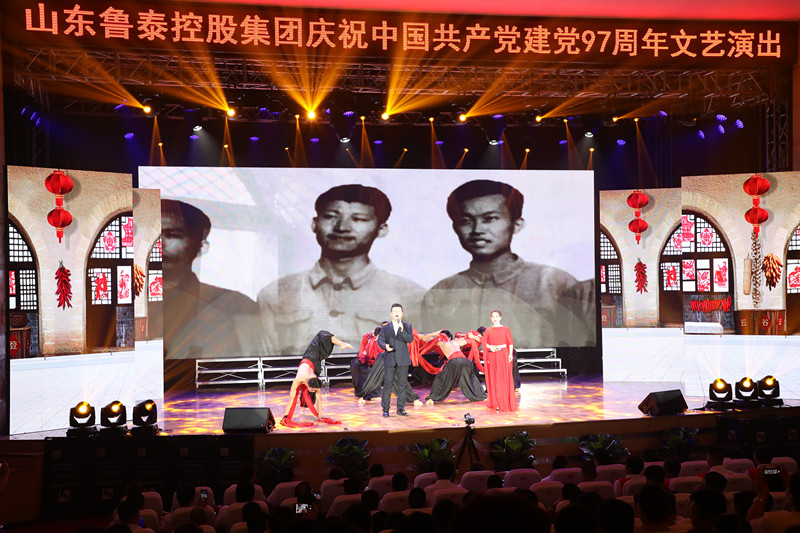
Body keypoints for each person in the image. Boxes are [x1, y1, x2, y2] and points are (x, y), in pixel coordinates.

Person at [421, 179, 595, 350]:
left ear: (517, 224)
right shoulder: (440, 293)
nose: (477, 230)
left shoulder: (555, 283)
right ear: (455, 228)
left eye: (490, 218)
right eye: (466, 221)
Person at [258, 184, 424, 355]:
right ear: (315, 224)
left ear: (382, 229)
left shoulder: (409, 295)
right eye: (330, 216)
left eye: (358, 219)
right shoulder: (275, 294)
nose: (342, 227)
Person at [161, 199, 262, 390]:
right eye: (150, 234)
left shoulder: (236, 305)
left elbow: (248, 376)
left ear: (201, 247)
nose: (158, 244)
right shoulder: (119, 307)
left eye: (171, 234)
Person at [281, 331, 352, 427]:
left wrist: (320, 416)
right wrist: (286, 416)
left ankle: (341, 343)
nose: (314, 391)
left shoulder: (314, 382)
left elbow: (319, 400)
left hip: (313, 361)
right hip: (313, 361)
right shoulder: (299, 379)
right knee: (321, 336)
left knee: (321, 334)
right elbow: (291, 399)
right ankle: (341, 343)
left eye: (314, 390)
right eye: (313, 389)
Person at [425, 331, 487, 404]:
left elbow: (427, 340)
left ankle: (432, 398)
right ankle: (481, 396)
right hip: (464, 360)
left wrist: (434, 334)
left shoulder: (441, 343)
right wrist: (470, 336)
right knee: (471, 378)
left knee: (441, 378)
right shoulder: (457, 341)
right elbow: (470, 340)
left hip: (453, 360)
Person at [378, 303, 415, 417]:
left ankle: (401, 408)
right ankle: (385, 409)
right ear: (391, 313)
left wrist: (402, 330)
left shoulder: (407, 326)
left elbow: (410, 339)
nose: (396, 313)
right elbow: (380, 340)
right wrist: (385, 346)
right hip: (390, 358)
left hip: (403, 359)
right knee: (388, 384)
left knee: (402, 384)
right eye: (394, 311)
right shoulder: (386, 327)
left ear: (402, 313)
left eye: (399, 311)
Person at [481, 310, 516, 411]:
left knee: (504, 378)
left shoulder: (506, 329)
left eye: (497, 316)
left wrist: (510, 354)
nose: (495, 318)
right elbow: (484, 342)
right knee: (495, 378)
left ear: (500, 317)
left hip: (503, 355)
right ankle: (496, 402)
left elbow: (510, 343)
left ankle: (504, 402)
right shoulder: (488, 330)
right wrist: (491, 347)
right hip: (493, 355)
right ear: (490, 318)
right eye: (493, 317)